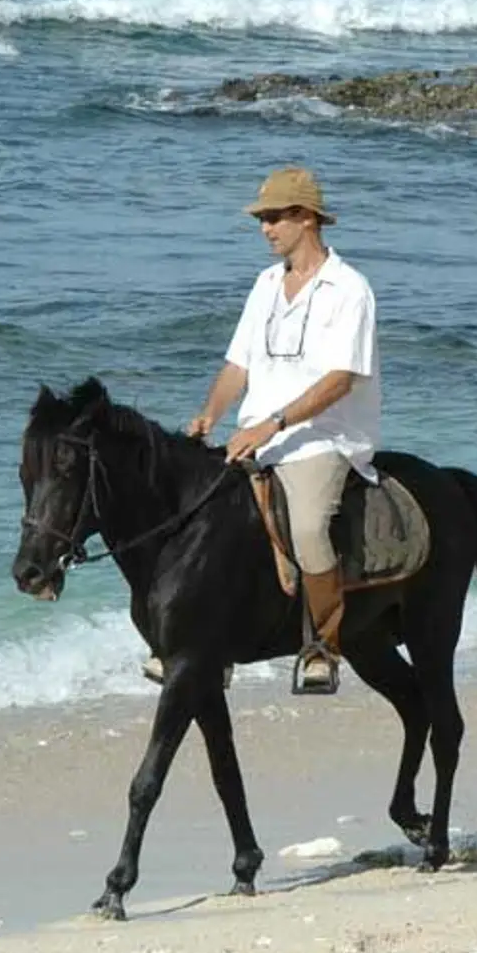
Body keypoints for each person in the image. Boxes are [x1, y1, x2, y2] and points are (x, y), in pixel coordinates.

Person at [183, 166, 382, 692]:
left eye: (273, 218)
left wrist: (274, 423)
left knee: (311, 526)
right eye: (263, 219)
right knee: (201, 519)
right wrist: (212, 414)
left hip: (323, 437)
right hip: (254, 433)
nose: (264, 228)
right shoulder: (266, 284)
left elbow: (340, 380)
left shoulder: (349, 289)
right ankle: (210, 643)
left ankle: (323, 646)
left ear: (305, 218)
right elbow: (238, 365)